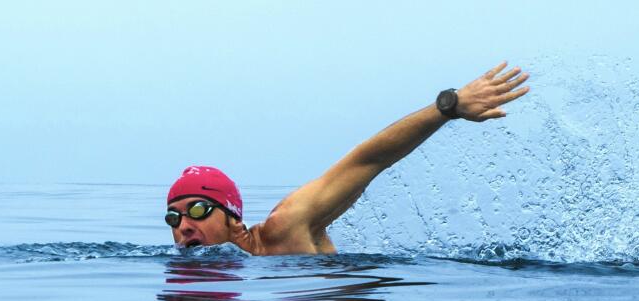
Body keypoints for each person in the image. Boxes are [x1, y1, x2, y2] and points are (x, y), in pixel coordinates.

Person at [165, 61, 530, 256]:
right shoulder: (203, 273)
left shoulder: (286, 227)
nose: (183, 226)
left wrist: (447, 108)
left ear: (233, 218)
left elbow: (367, 160)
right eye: (174, 216)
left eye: (197, 210)